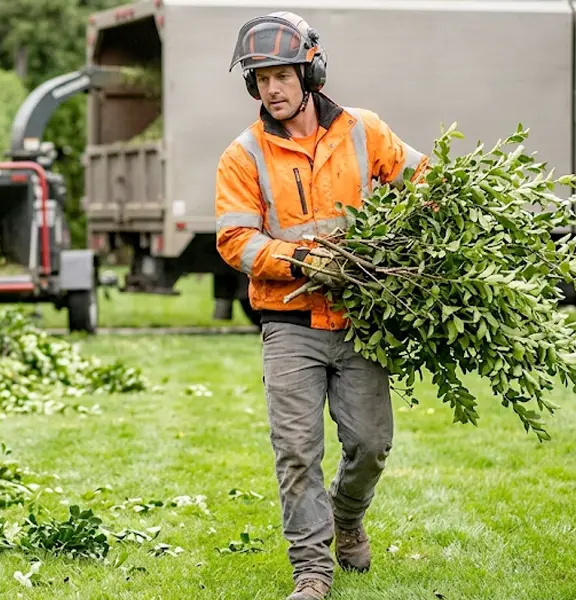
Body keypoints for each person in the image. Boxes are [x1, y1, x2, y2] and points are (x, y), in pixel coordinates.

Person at [213, 11, 428, 600]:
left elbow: (425, 181)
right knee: (297, 452)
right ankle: (312, 572)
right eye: (260, 78)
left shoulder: (363, 130)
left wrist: (434, 223)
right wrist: (304, 262)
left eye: (282, 74)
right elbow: (235, 240)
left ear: (312, 70)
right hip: (289, 324)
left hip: (360, 322)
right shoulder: (243, 155)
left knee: (369, 444)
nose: (272, 89)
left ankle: (348, 518)